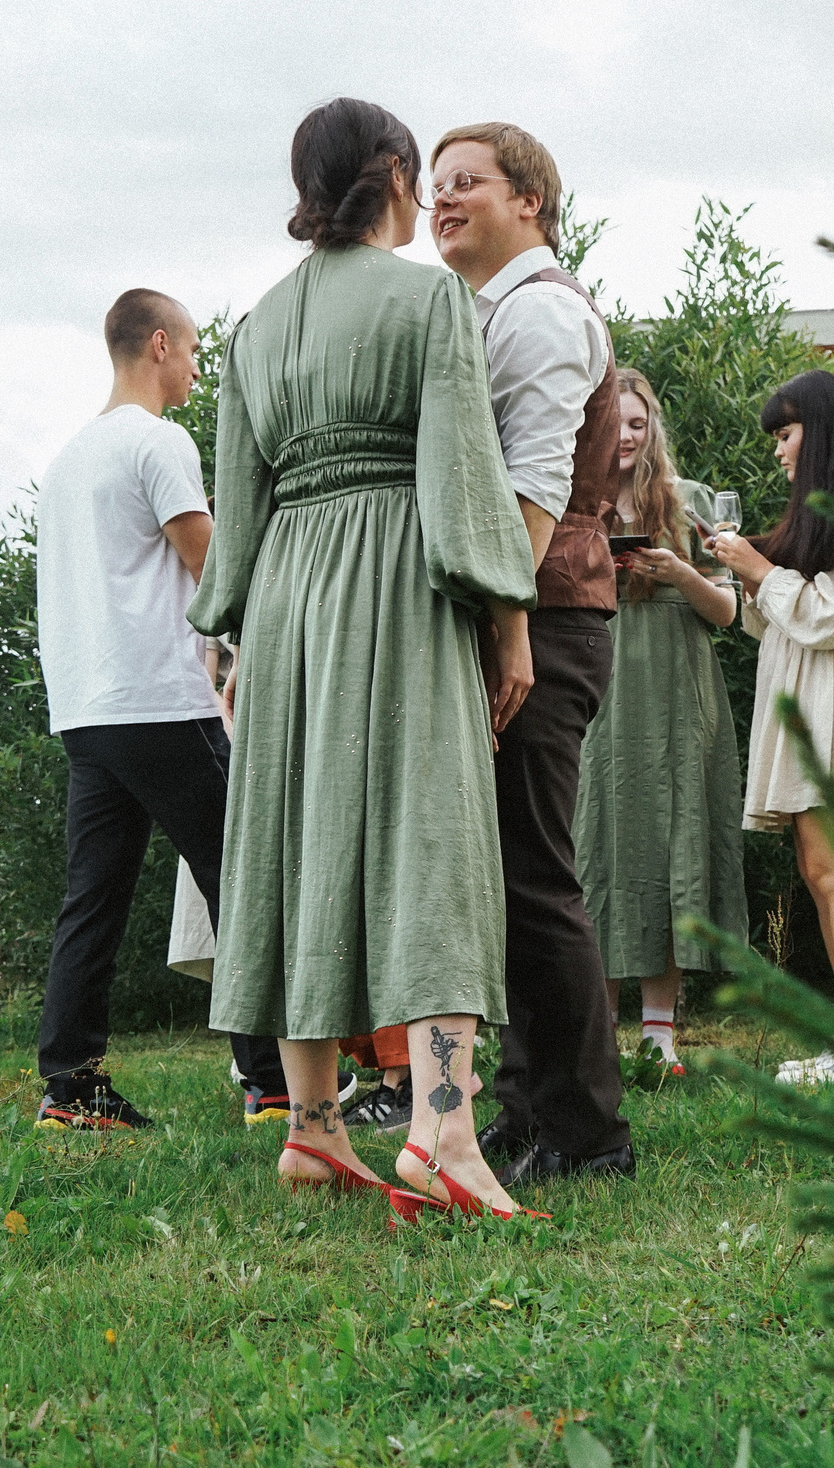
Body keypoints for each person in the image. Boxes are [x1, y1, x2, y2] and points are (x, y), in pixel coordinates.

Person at [188, 97, 544, 1219]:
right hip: (400, 582)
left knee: (296, 844)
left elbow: (235, 516)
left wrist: (233, 638)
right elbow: (461, 479)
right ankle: (443, 1132)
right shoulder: (430, 299)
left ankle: (311, 1129)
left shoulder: (252, 330)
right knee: (432, 841)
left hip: (287, 598)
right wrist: (510, 620)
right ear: (394, 173)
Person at [27, 289, 310, 1131]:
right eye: (190, 351)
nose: (194, 367)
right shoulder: (158, 442)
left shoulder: (67, 462)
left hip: (86, 710)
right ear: (158, 344)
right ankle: (273, 1084)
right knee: (246, 881)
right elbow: (209, 568)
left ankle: (70, 1089)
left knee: (92, 900)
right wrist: (268, 631)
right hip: (159, 701)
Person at [429, 120, 634, 1185]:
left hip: (544, 618)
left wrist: (504, 620)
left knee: (536, 875)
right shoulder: (486, 312)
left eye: (466, 181)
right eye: (435, 185)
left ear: (530, 202)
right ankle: (527, 1104)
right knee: (503, 877)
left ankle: (590, 1135)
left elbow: (535, 487)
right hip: (524, 613)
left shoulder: (543, 312)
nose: (442, 199)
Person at [705, 369, 834, 1085]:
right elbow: (785, 618)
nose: (778, 450)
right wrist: (746, 573)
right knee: (823, 871)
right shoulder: (824, 506)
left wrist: (762, 570)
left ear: (818, 430)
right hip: (815, 694)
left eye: (785, 434)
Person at [575, 368, 747, 1070]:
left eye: (637, 423)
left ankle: (658, 1035)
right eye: (613, 422)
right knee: (598, 845)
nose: (625, 435)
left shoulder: (689, 501)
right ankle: (594, 1037)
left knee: (673, 844)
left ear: (653, 430)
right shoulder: (571, 502)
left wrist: (678, 572)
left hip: (678, 692)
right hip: (599, 687)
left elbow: (728, 611)